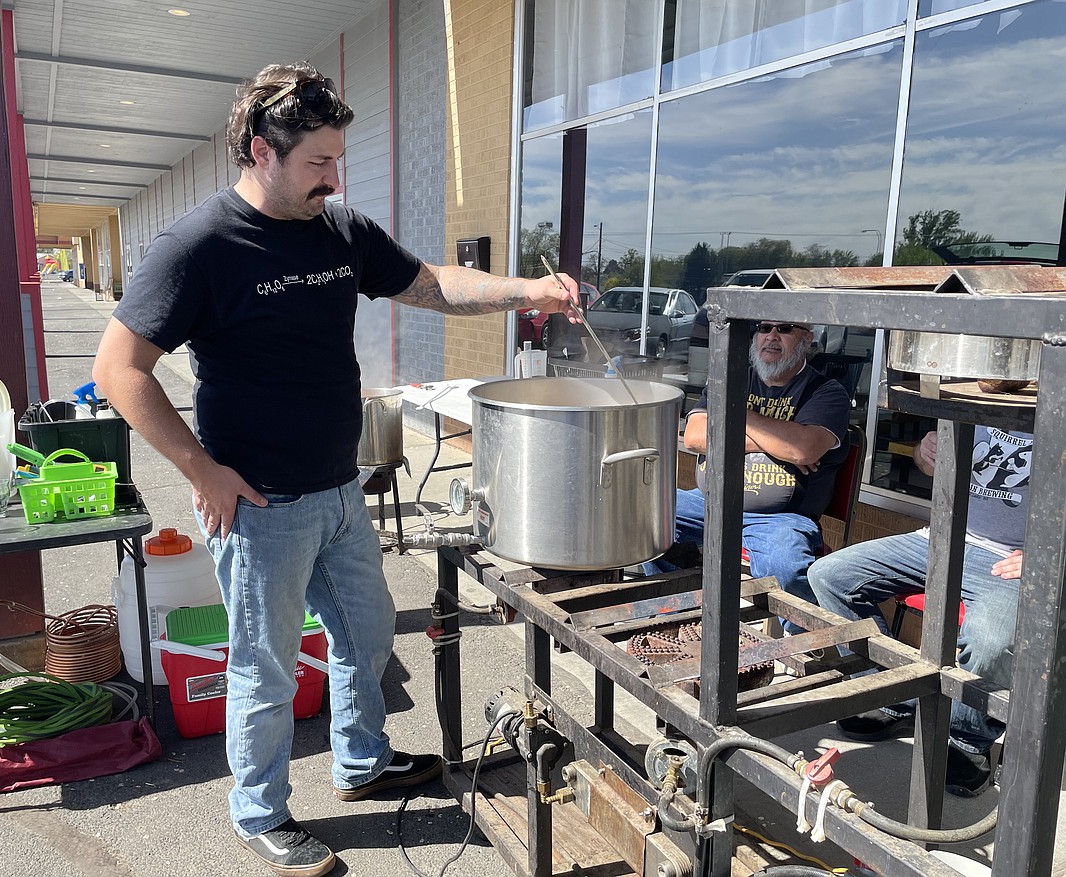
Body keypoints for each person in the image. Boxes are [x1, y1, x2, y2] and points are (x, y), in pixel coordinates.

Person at [92, 62, 579, 877]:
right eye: (318, 161)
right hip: (261, 506)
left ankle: (361, 761)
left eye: (337, 159)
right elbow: (119, 370)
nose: (334, 176)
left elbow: (432, 283)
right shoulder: (197, 246)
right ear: (260, 152)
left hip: (339, 488)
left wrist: (528, 289)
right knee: (266, 667)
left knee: (364, 635)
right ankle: (259, 810)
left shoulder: (341, 230)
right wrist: (203, 470)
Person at [808, 426, 1028, 797]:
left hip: (1011, 561)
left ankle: (968, 738)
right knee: (830, 575)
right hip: (939, 538)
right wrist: (923, 452)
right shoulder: (977, 404)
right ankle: (889, 695)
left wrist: (1052, 556)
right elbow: (930, 464)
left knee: (991, 639)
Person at [643, 320, 850, 632]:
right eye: (764, 328)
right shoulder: (731, 378)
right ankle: (677, 616)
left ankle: (808, 645)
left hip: (780, 517)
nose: (771, 337)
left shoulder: (826, 392)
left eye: (785, 329)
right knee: (648, 519)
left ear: (807, 340)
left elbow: (802, 449)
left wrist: (736, 416)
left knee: (786, 566)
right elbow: (696, 436)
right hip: (710, 503)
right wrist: (777, 442)